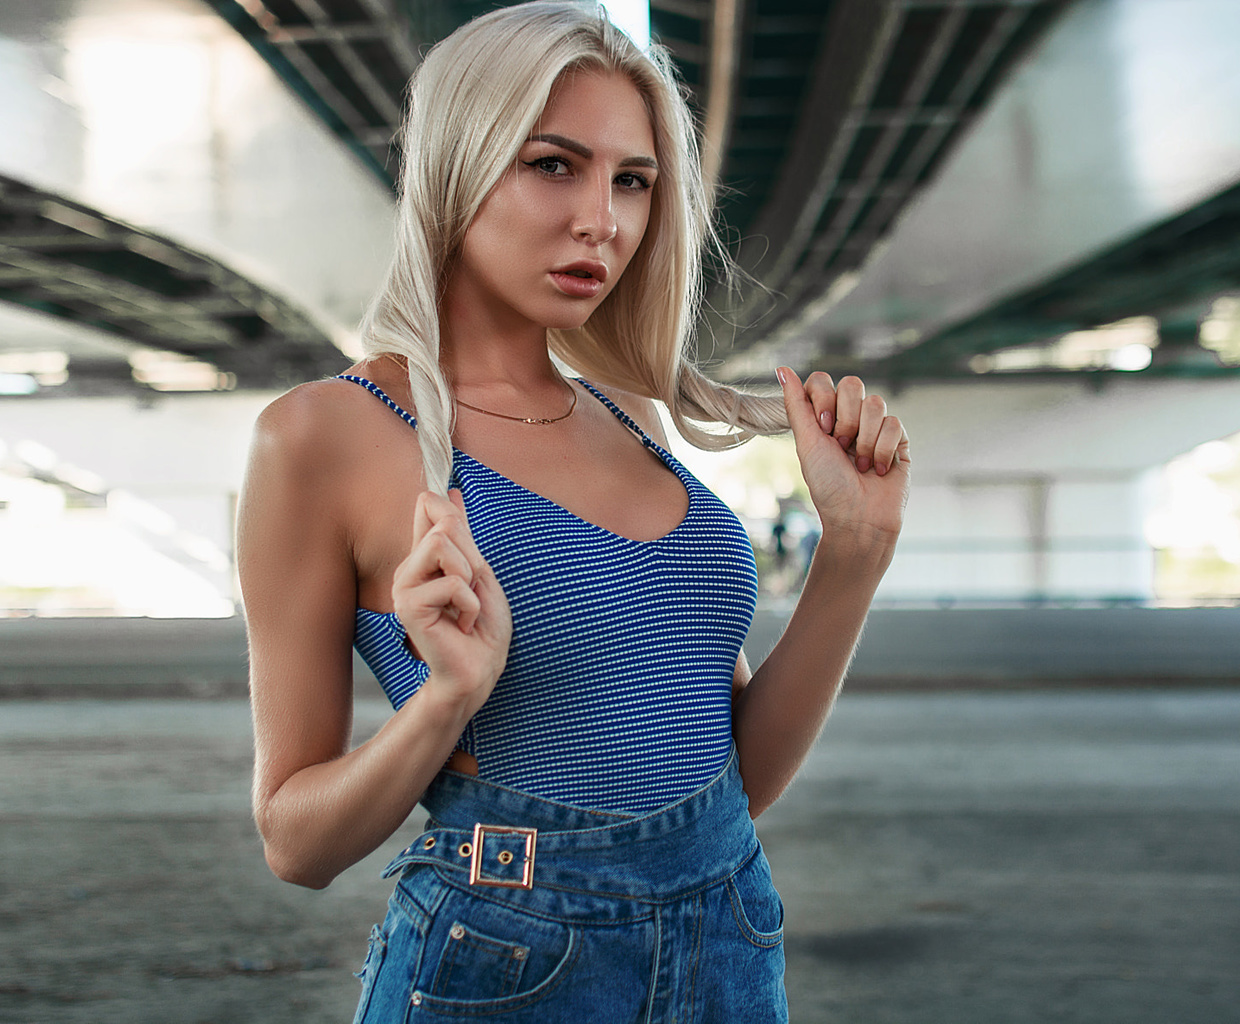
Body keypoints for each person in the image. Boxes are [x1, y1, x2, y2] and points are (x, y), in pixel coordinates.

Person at [235, 2, 909, 1021]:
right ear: (459, 165)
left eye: (631, 180)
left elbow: (732, 778)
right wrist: (444, 699)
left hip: (727, 931)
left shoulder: (628, 413)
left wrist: (854, 552)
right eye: (553, 164)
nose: (603, 218)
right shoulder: (323, 437)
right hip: (506, 956)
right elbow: (295, 841)